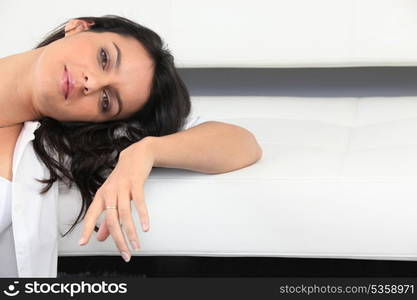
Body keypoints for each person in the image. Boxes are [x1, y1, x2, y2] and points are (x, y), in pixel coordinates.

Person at [0, 15, 263, 277]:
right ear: (78, 27)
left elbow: (242, 144)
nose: (92, 83)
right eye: (104, 58)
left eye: (106, 101)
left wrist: (145, 151)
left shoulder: (59, 145)